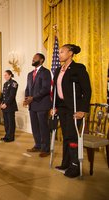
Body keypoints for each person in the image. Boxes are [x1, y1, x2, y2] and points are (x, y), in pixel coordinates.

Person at [52, 44, 91, 178]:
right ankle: (66, 162)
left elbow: (87, 91)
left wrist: (83, 110)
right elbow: (56, 91)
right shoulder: (58, 70)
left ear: (70, 53)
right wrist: (55, 107)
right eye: (59, 52)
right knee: (66, 135)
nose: (59, 54)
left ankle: (75, 166)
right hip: (62, 107)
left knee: (72, 135)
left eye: (62, 52)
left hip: (75, 107)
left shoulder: (78, 68)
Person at [24, 53, 51, 157]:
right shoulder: (30, 74)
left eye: (35, 58)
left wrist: (33, 98)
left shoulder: (46, 72)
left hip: (42, 104)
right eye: (32, 58)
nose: (33, 59)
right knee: (35, 127)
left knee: (43, 127)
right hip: (32, 105)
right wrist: (26, 99)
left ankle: (45, 149)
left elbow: (45, 88)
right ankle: (38, 145)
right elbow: (28, 88)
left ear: (41, 60)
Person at [0, 70, 18, 142]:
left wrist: (6, 104)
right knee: (6, 122)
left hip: (10, 106)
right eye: (4, 75)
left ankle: (11, 137)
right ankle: (7, 135)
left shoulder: (14, 83)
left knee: (10, 122)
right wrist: (0, 101)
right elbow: (3, 94)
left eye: (6, 75)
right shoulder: (5, 84)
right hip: (4, 106)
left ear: (10, 75)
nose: (5, 76)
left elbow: (12, 96)